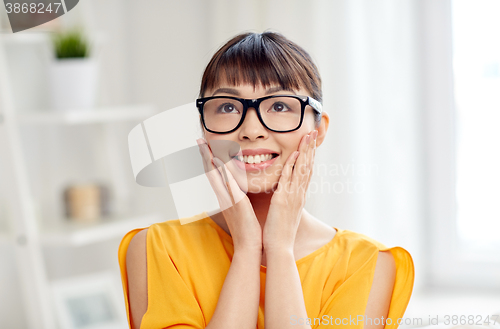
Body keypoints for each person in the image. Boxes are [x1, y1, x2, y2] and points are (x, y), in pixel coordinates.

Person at [118, 31, 414, 329]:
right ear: (204, 129)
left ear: (319, 129)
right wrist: (247, 249)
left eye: (280, 106)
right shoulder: (156, 249)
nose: (251, 130)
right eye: (228, 107)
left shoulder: (368, 264)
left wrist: (280, 249)